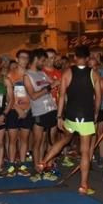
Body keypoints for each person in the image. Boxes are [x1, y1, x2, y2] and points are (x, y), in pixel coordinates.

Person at [40, 45, 101, 194]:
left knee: (65, 139)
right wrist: (96, 114)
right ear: (87, 59)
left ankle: (43, 161)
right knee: (85, 152)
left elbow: (61, 96)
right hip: (86, 116)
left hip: (71, 115)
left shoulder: (67, 72)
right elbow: (98, 97)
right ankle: (83, 185)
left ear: (75, 57)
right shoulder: (94, 74)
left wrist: (59, 115)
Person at [25, 49, 60, 180]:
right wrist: (49, 88)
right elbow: (33, 96)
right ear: (36, 59)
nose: (44, 63)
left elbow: (55, 82)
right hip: (39, 111)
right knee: (38, 142)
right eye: (43, 60)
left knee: (51, 141)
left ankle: (48, 166)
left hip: (51, 109)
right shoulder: (27, 76)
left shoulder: (42, 73)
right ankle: (37, 169)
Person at [5, 50, 33, 174]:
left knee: (24, 139)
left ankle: (22, 165)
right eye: (22, 57)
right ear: (17, 59)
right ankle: (11, 165)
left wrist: (27, 109)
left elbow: (34, 94)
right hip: (13, 110)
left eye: (26, 58)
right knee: (12, 139)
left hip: (28, 110)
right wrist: (17, 109)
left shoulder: (31, 75)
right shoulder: (10, 75)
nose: (24, 60)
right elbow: (7, 96)